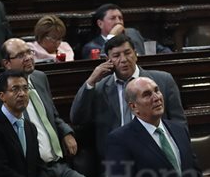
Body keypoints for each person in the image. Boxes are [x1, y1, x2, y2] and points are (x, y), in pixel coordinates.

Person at [0, 39, 99, 177]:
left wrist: (66, 133)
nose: (28, 58)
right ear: (7, 63)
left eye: (29, 52)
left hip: (59, 165)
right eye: (20, 55)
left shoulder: (40, 78)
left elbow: (52, 116)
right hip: (31, 172)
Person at [70, 34, 186, 165]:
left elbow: (179, 123)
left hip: (158, 156)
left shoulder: (163, 81)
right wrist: (91, 81)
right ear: (108, 60)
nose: (124, 59)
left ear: (136, 54)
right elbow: (77, 118)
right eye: (116, 56)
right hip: (117, 160)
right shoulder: (100, 88)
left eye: (127, 53)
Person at [80, 4, 147, 59]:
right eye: (113, 18)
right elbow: (103, 62)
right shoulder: (92, 47)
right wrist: (112, 36)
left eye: (120, 18)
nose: (118, 22)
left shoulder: (132, 33)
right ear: (100, 24)